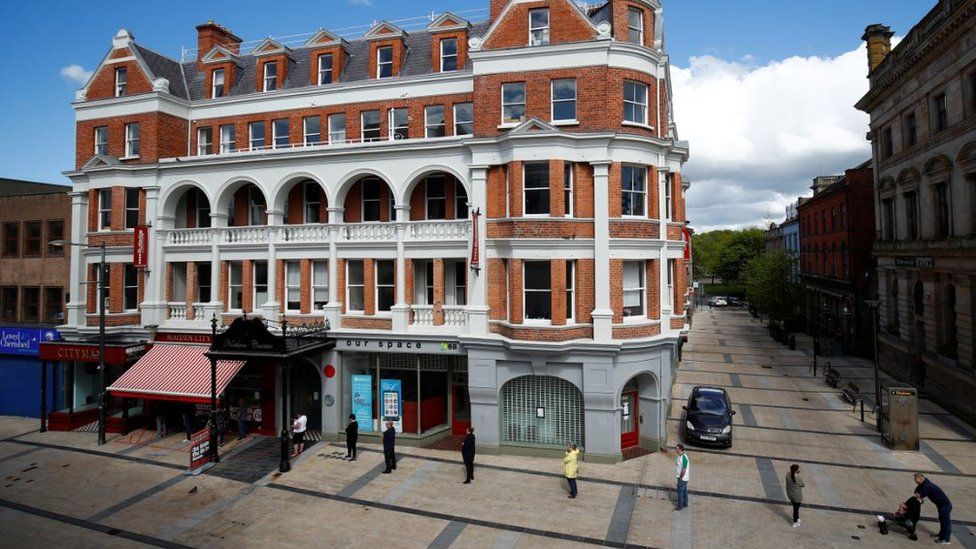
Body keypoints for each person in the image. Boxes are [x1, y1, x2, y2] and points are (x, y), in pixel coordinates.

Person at [914, 473, 952, 544]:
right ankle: (941, 535)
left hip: (945, 506)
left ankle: (946, 539)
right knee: (942, 521)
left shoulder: (927, 486)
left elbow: (922, 495)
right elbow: (916, 490)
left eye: (916, 480)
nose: (915, 482)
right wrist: (917, 492)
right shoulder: (924, 484)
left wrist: (918, 495)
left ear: (921, 478)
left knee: (945, 523)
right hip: (941, 505)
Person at [675, 444, 690, 511]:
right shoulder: (680, 456)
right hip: (682, 477)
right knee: (684, 491)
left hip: (682, 478)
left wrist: (680, 477)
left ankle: (680, 506)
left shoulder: (684, 458)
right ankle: (685, 503)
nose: (676, 450)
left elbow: (683, 470)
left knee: (680, 492)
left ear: (680, 450)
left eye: (677, 449)